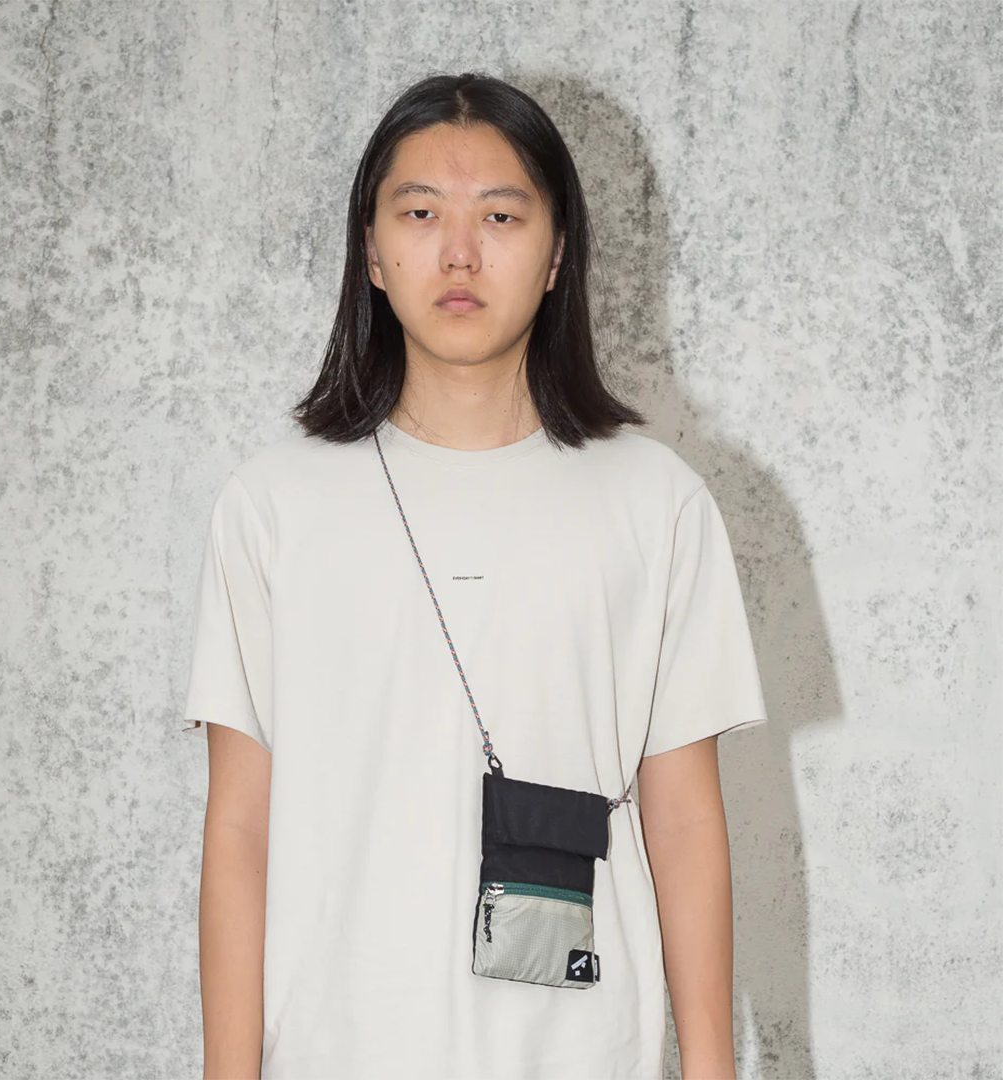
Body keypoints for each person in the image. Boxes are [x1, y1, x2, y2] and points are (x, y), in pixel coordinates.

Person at [181, 71, 768, 1080]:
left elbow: (684, 817)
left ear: (557, 254)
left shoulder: (655, 500)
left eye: (501, 215)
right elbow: (239, 825)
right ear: (372, 251)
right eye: (420, 213)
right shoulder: (274, 504)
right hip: (337, 1052)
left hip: (584, 1054)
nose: (460, 253)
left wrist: (712, 1072)